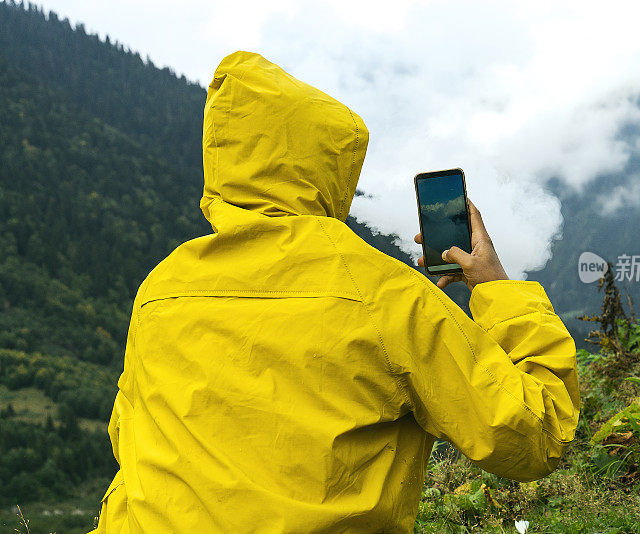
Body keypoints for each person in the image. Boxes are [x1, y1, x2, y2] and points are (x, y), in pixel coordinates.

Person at [91, 50, 580, 533]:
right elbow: (535, 433)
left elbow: (127, 432)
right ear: (333, 166)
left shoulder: (163, 285)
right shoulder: (384, 294)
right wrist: (495, 289)